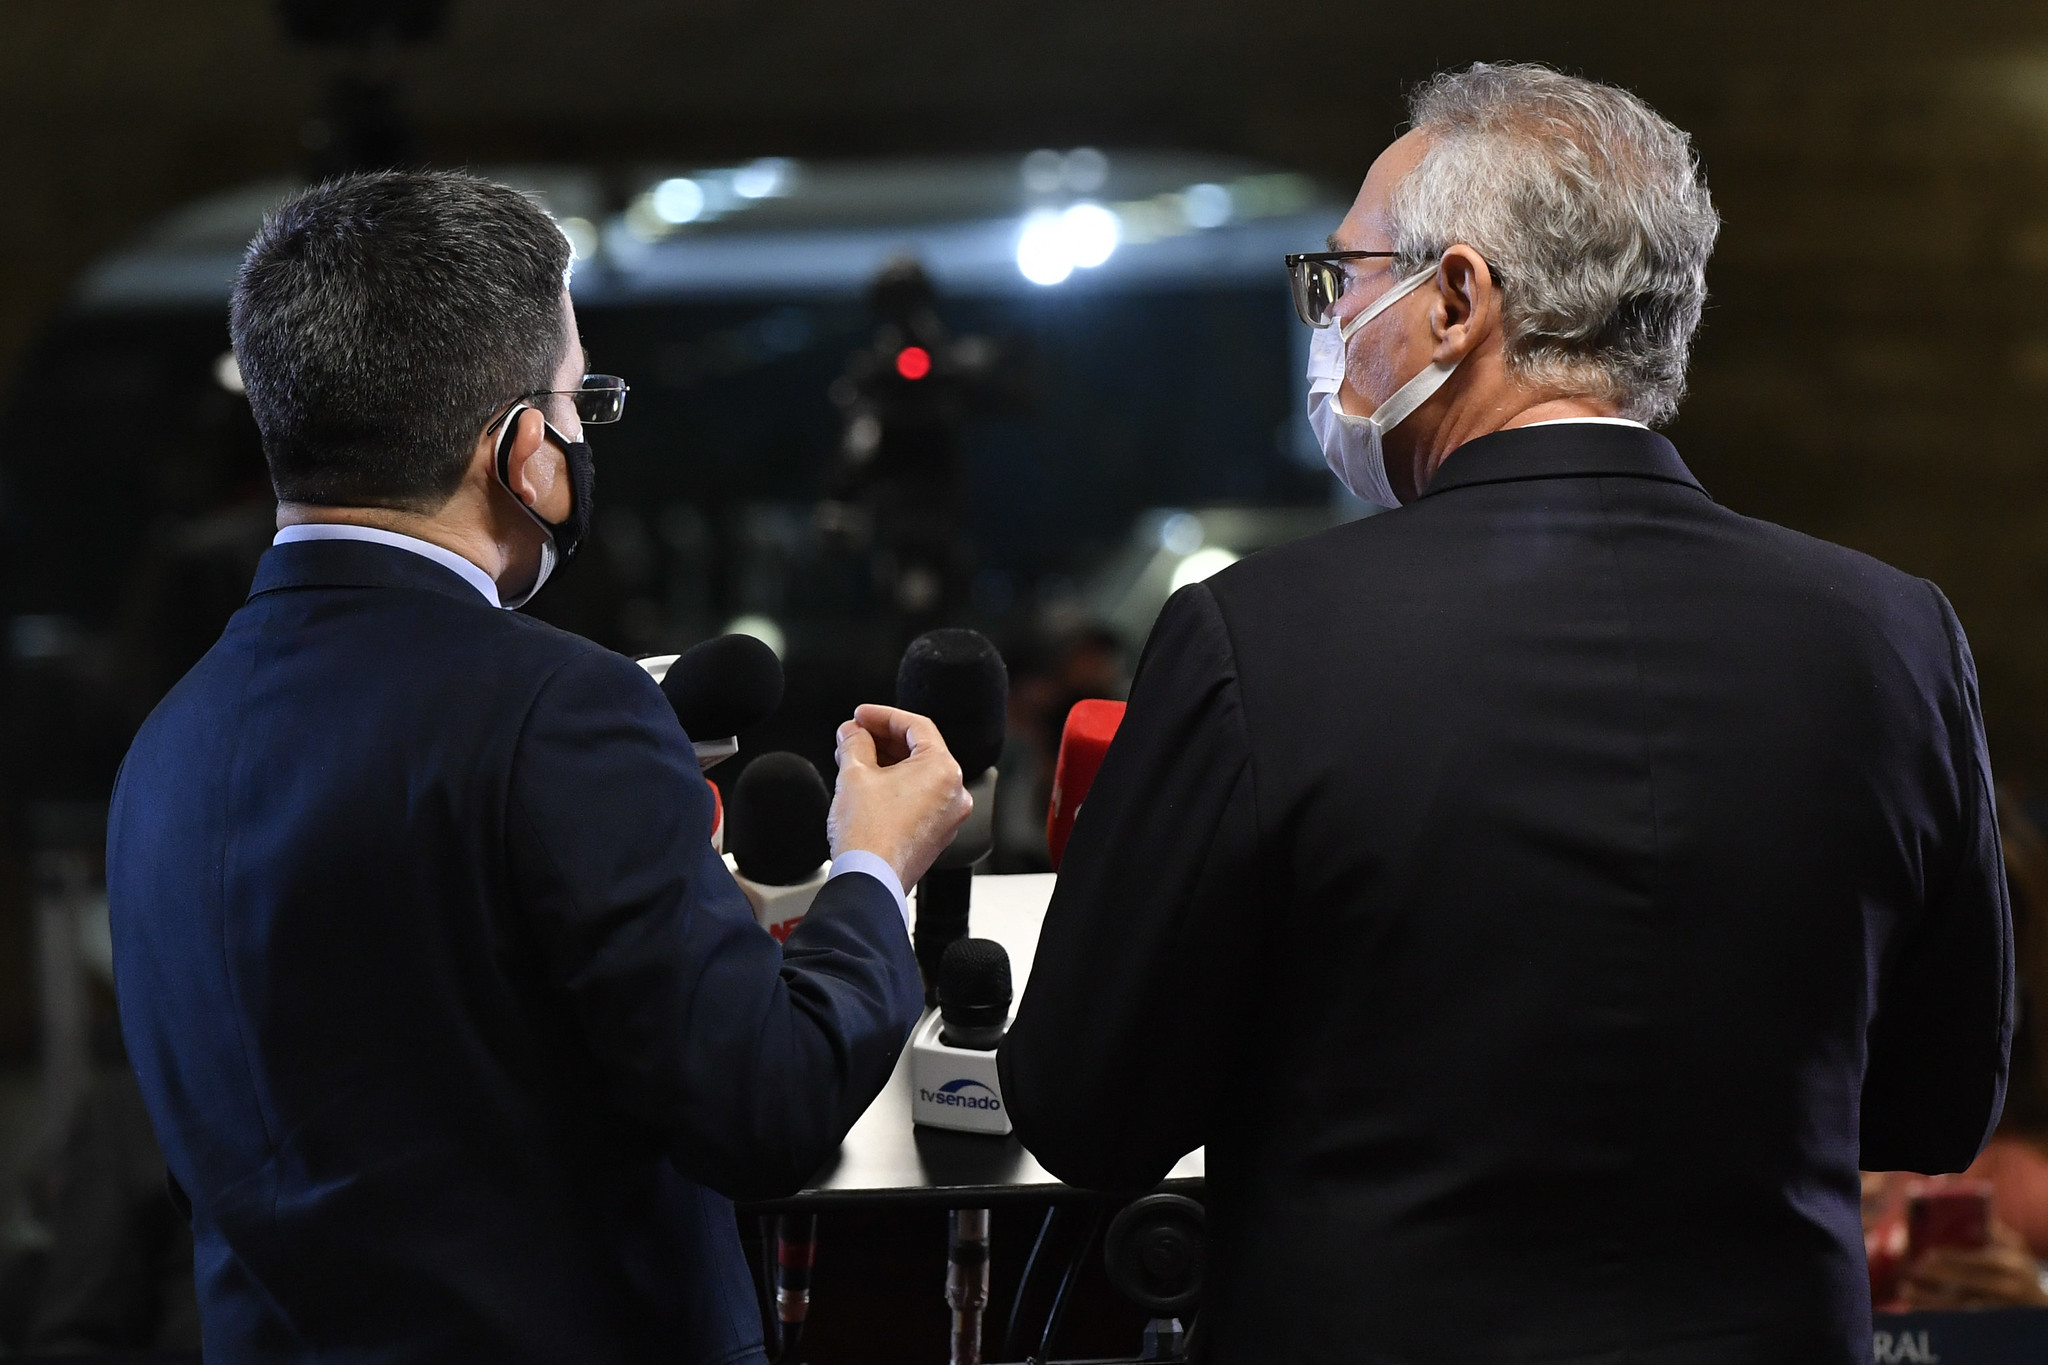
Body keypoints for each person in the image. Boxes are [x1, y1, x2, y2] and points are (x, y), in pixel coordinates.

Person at [1000, 62, 2013, 1364]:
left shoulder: (1263, 638)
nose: (1331, 323)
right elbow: (1935, 1108)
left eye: (1342, 280)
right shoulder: (1894, 635)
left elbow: (1088, 1111)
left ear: (1459, 298)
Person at [107, 171, 971, 1365]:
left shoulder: (167, 746)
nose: (576, 435)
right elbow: (768, 1105)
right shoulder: (561, 710)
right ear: (522, 450)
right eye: (578, 403)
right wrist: (873, 863)